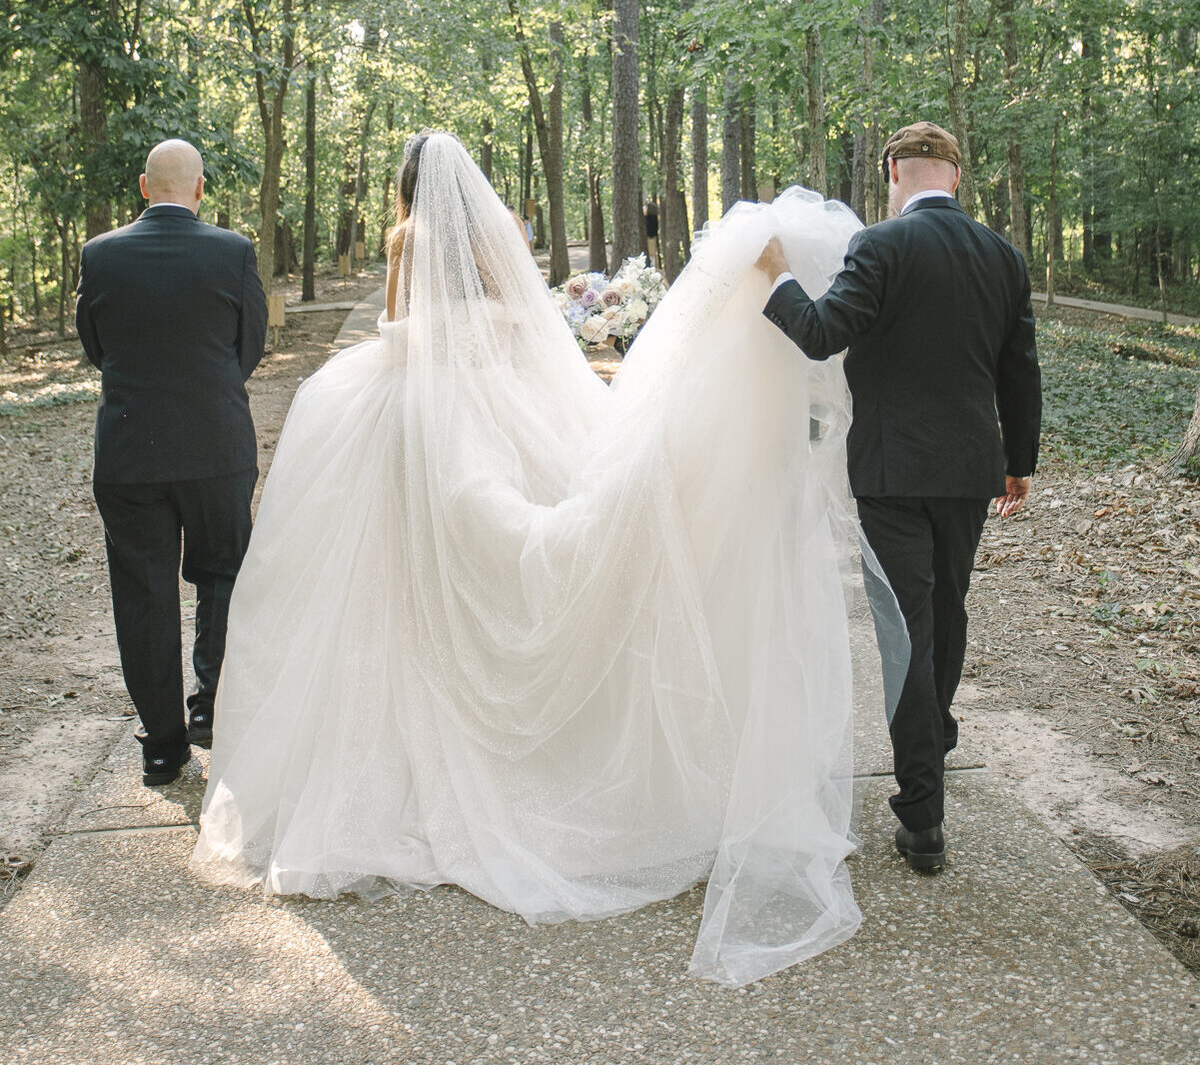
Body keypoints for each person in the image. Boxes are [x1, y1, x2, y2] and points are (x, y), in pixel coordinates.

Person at [193, 133, 906, 987]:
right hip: (487, 395)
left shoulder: (405, 240)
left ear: (406, 188)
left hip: (413, 406)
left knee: (384, 589)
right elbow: (522, 323)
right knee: (496, 543)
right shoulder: (492, 240)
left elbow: (401, 329)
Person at [755, 121, 1041, 876]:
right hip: (971, 466)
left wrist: (778, 277)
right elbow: (1021, 368)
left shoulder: (879, 247)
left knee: (907, 632)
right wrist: (1021, 460)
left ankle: (923, 814)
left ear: (893, 171)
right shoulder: (1004, 256)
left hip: (889, 469)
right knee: (946, 612)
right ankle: (933, 738)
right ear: (958, 175)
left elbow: (819, 333)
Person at [76, 140, 268, 789]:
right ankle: (211, 704)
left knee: (144, 594)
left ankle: (162, 748)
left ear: (141, 185)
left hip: (131, 453)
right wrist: (206, 391)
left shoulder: (99, 256)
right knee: (223, 572)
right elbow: (251, 345)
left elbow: (95, 348)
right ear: (200, 188)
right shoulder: (233, 251)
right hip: (217, 446)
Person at [644, 198, 660, 267]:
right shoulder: (656, 217)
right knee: (653, 252)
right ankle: (653, 265)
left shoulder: (646, 217)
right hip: (653, 236)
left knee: (650, 252)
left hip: (648, 236)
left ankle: (652, 265)